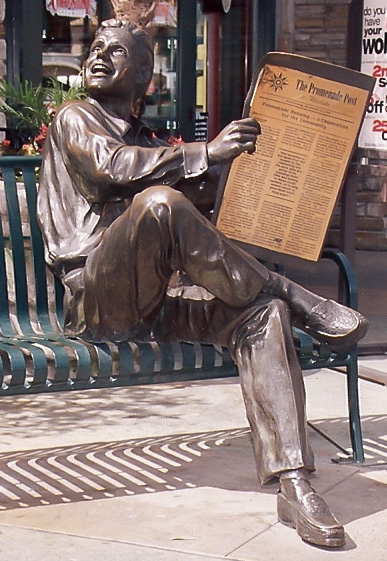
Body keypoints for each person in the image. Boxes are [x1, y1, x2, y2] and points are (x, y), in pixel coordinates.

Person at [37, 19, 368, 548]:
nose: (97, 56)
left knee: (263, 315)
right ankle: (295, 293)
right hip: (98, 302)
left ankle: (295, 485)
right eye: (94, 48)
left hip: (158, 303)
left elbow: (204, 216)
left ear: (145, 75)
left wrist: (267, 167)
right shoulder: (75, 119)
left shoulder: (150, 143)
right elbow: (110, 168)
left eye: (115, 51)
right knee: (161, 205)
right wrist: (203, 154)